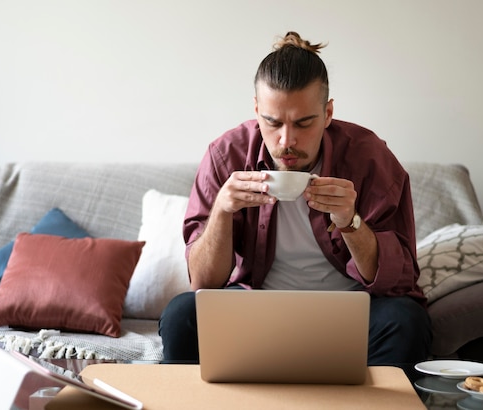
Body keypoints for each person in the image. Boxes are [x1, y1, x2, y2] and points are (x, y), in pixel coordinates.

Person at [159, 31, 432, 365]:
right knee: (181, 315)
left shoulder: (369, 158)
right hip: (257, 308)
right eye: (272, 123)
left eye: (304, 123)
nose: (287, 141)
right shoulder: (225, 156)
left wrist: (351, 222)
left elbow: (400, 279)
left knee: (407, 322)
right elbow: (203, 282)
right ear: (257, 111)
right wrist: (222, 211)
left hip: (355, 311)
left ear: (328, 113)